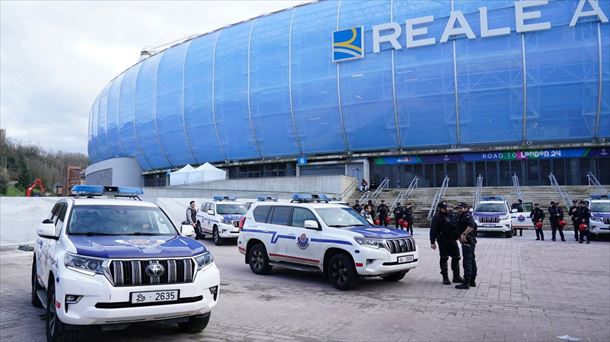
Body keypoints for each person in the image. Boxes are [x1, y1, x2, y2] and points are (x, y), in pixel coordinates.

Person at [430, 202, 463, 285]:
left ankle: (456, 276)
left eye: (447, 207)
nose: (446, 209)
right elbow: (433, 230)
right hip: (443, 240)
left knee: (456, 257)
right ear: (440, 208)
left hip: (452, 239)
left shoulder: (451, 215)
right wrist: (432, 242)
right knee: (444, 258)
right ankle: (445, 277)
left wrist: (458, 235)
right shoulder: (437, 217)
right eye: (444, 208)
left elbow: (455, 226)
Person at [455, 202, 477, 289]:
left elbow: (471, 226)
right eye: (459, 208)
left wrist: (464, 234)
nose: (459, 210)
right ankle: (472, 281)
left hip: (468, 240)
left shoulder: (467, 215)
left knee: (467, 261)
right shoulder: (462, 215)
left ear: (466, 208)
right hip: (468, 241)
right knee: (471, 260)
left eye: (461, 208)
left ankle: (467, 282)